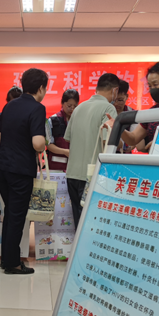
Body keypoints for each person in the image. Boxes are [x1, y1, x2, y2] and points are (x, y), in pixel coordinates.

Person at [0, 68, 47, 275]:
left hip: (2, 167)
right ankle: (13, 263)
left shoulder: (9, 105)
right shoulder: (37, 108)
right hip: (20, 169)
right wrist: (43, 143)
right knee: (16, 216)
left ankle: (7, 259)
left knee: (10, 213)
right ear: (41, 88)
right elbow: (37, 143)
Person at [65, 73, 120, 229]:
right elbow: (108, 141)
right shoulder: (108, 108)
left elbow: (68, 138)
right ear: (115, 91)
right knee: (92, 224)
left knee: (79, 223)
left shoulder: (78, 108)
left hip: (72, 173)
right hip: (92, 175)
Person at [46, 89, 79, 171]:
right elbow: (48, 145)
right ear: (62, 103)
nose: (72, 109)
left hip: (75, 166)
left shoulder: (79, 121)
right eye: (69, 106)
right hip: (56, 166)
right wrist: (65, 151)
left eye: (75, 106)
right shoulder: (52, 120)